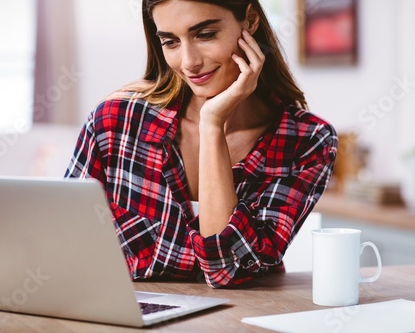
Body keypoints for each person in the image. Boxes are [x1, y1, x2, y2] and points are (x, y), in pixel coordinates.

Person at [65, 0, 338, 288]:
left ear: (251, 21)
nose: (189, 62)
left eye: (205, 35)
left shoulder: (307, 141)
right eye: (171, 42)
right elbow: (62, 245)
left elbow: (227, 271)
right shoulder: (116, 122)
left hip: (240, 320)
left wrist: (212, 125)